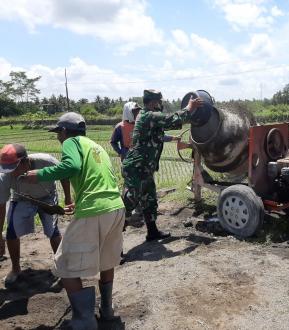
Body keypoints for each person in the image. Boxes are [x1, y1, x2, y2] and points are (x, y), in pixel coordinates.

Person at [23, 112, 125, 329]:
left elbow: (71, 167)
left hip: (95, 210)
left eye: (58, 133)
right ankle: (107, 310)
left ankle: (84, 320)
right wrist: (78, 203)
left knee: (64, 265)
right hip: (115, 207)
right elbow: (98, 180)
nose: (58, 138)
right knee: (107, 261)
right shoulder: (95, 146)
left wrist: (38, 174)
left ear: (64, 131)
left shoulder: (71, 142)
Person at [122, 89, 203, 241]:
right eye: (159, 102)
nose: (161, 105)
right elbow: (170, 119)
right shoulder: (148, 115)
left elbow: (161, 133)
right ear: (153, 102)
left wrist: (174, 136)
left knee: (150, 200)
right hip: (137, 168)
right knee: (128, 204)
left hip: (145, 168)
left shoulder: (148, 117)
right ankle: (113, 245)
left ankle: (152, 233)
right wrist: (189, 108)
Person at [0, 144, 71, 286]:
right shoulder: (4, 176)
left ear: (25, 161)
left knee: (53, 231)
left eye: (14, 169)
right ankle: (15, 269)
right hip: (21, 198)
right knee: (12, 232)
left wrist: (68, 198)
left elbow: (64, 175)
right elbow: (1, 205)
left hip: (47, 197)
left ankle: (63, 268)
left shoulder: (46, 161)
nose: (11, 173)